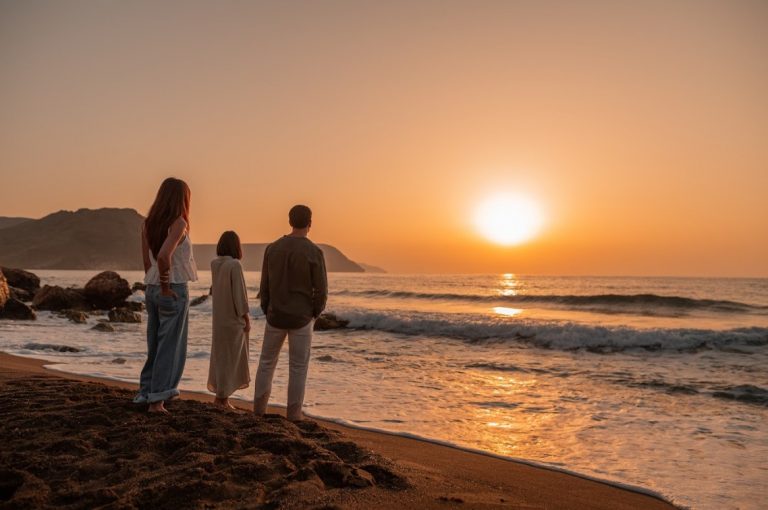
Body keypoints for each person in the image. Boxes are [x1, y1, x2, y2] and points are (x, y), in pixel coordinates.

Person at [253, 204, 327, 421]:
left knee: (266, 363)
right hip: (302, 316)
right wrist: (315, 313)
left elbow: (264, 286)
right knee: (298, 367)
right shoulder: (314, 252)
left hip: (275, 314)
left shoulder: (272, 248)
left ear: (289, 221)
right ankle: (294, 414)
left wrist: (267, 308)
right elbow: (321, 290)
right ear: (310, 223)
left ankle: (258, 410)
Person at [133, 177, 198, 414]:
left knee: (156, 343)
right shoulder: (179, 223)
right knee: (170, 345)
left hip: (151, 287)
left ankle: (146, 392)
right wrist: (166, 287)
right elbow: (163, 257)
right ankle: (158, 399)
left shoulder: (148, 223)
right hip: (172, 287)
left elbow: (146, 261)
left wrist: (154, 285)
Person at [207, 231, 251, 409]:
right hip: (232, 320)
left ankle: (221, 396)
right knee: (231, 360)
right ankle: (222, 399)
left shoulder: (215, 264)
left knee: (221, 358)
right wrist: (246, 318)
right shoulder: (235, 265)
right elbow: (239, 295)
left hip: (219, 320)